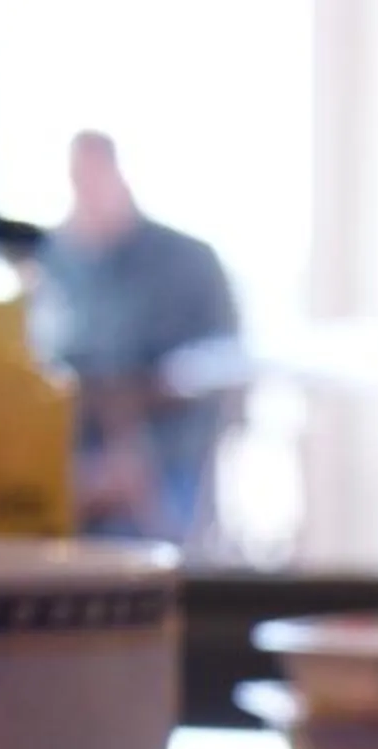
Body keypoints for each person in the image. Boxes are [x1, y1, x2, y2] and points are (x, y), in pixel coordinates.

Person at [42, 131, 243, 540]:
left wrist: (136, 464)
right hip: (73, 462)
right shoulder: (52, 262)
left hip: (169, 463)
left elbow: (220, 375)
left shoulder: (189, 264)